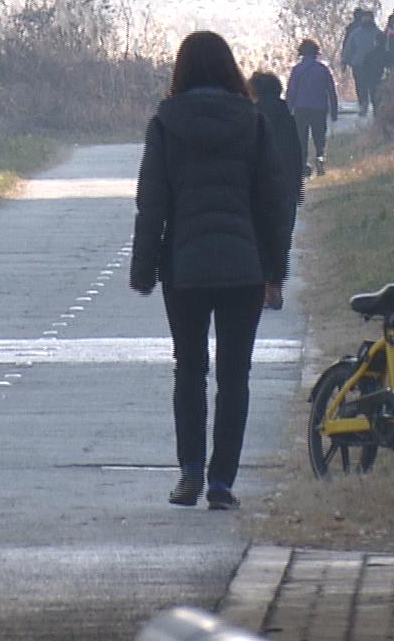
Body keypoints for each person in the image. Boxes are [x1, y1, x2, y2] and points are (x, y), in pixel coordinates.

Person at [129, 31, 290, 511]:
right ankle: (222, 482)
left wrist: (143, 271)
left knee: (190, 371)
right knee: (235, 376)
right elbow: (273, 203)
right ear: (229, 68)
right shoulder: (253, 122)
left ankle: (189, 474)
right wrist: (274, 271)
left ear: (181, 69)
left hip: (185, 268)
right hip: (243, 268)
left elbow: (151, 202)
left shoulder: (165, 123)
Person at [246, 70, 305, 311]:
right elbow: (296, 155)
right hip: (285, 189)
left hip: (259, 189)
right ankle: (275, 287)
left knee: (258, 238)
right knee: (281, 238)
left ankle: (262, 288)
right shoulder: (286, 116)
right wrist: (297, 186)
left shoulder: (253, 116)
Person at [286, 39, 338, 177]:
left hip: (301, 108)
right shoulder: (323, 69)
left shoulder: (296, 70)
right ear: (316, 52)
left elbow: (291, 91)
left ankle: (303, 164)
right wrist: (334, 110)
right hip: (319, 108)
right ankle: (320, 158)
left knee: (301, 137)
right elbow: (331, 91)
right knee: (319, 136)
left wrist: (288, 109)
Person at [339, 7, 385, 117]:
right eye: (365, 18)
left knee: (375, 87)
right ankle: (363, 104)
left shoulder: (378, 33)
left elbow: (384, 49)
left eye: (369, 18)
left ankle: (376, 107)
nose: (367, 20)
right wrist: (344, 61)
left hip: (375, 65)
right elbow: (349, 48)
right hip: (359, 64)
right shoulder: (355, 33)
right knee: (361, 86)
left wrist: (385, 62)